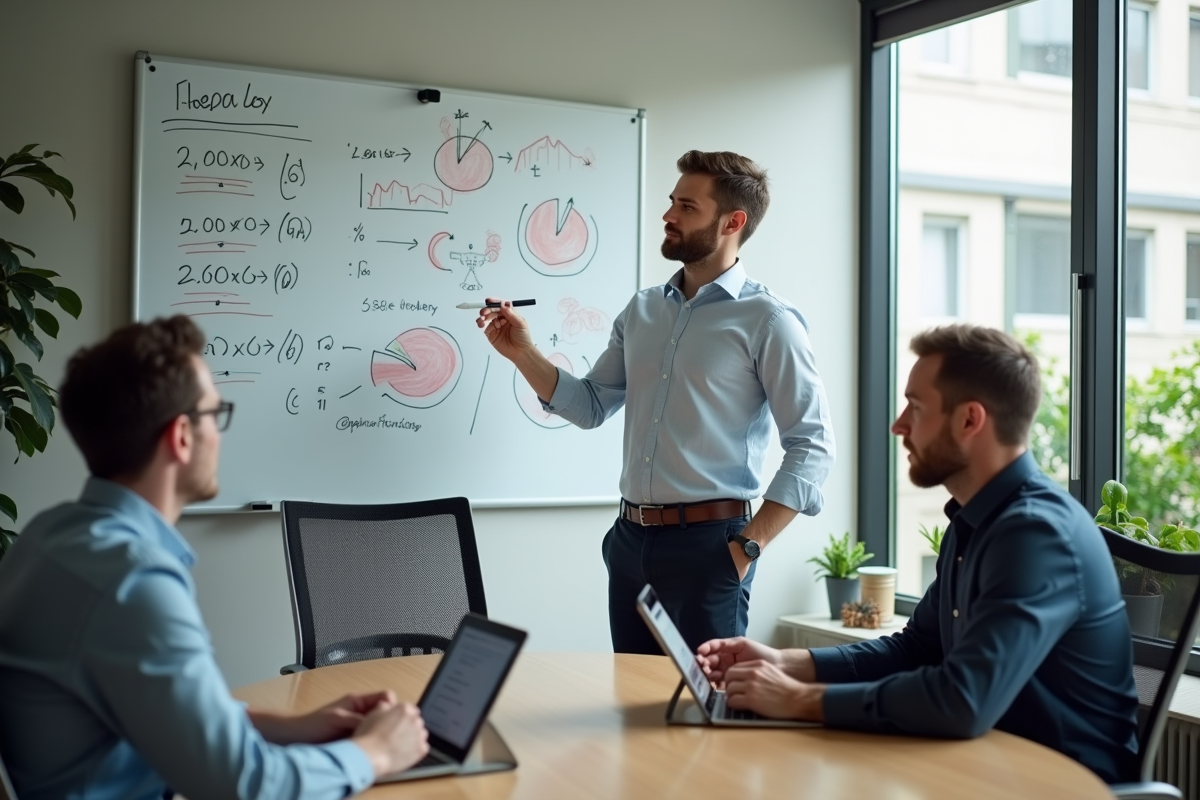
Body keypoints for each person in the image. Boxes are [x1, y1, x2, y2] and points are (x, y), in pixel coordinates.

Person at [0, 316, 430, 800]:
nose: (220, 433)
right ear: (181, 436)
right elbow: (240, 785)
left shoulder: (47, 537)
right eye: (215, 413)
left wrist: (297, 727)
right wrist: (375, 752)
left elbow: (157, 715)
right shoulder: (132, 581)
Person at [694, 324, 1140, 784]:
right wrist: (784, 663)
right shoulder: (974, 519)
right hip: (983, 767)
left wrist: (796, 700)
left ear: (970, 420)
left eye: (917, 407)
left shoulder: (1035, 534)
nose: (898, 424)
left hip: (1061, 784)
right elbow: (917, 649)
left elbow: (963, 700)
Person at [477, 150, 835, 653]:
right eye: (672, 202)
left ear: (733, 221)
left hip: (713, 547)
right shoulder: (642, 309)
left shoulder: (769, 321)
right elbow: (591, 406)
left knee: (704, 711)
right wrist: (523, 353)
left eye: (687, 207)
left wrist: (747, 547)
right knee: (633, 705)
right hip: (629, 543)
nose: (668, 216)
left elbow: (812, 445)